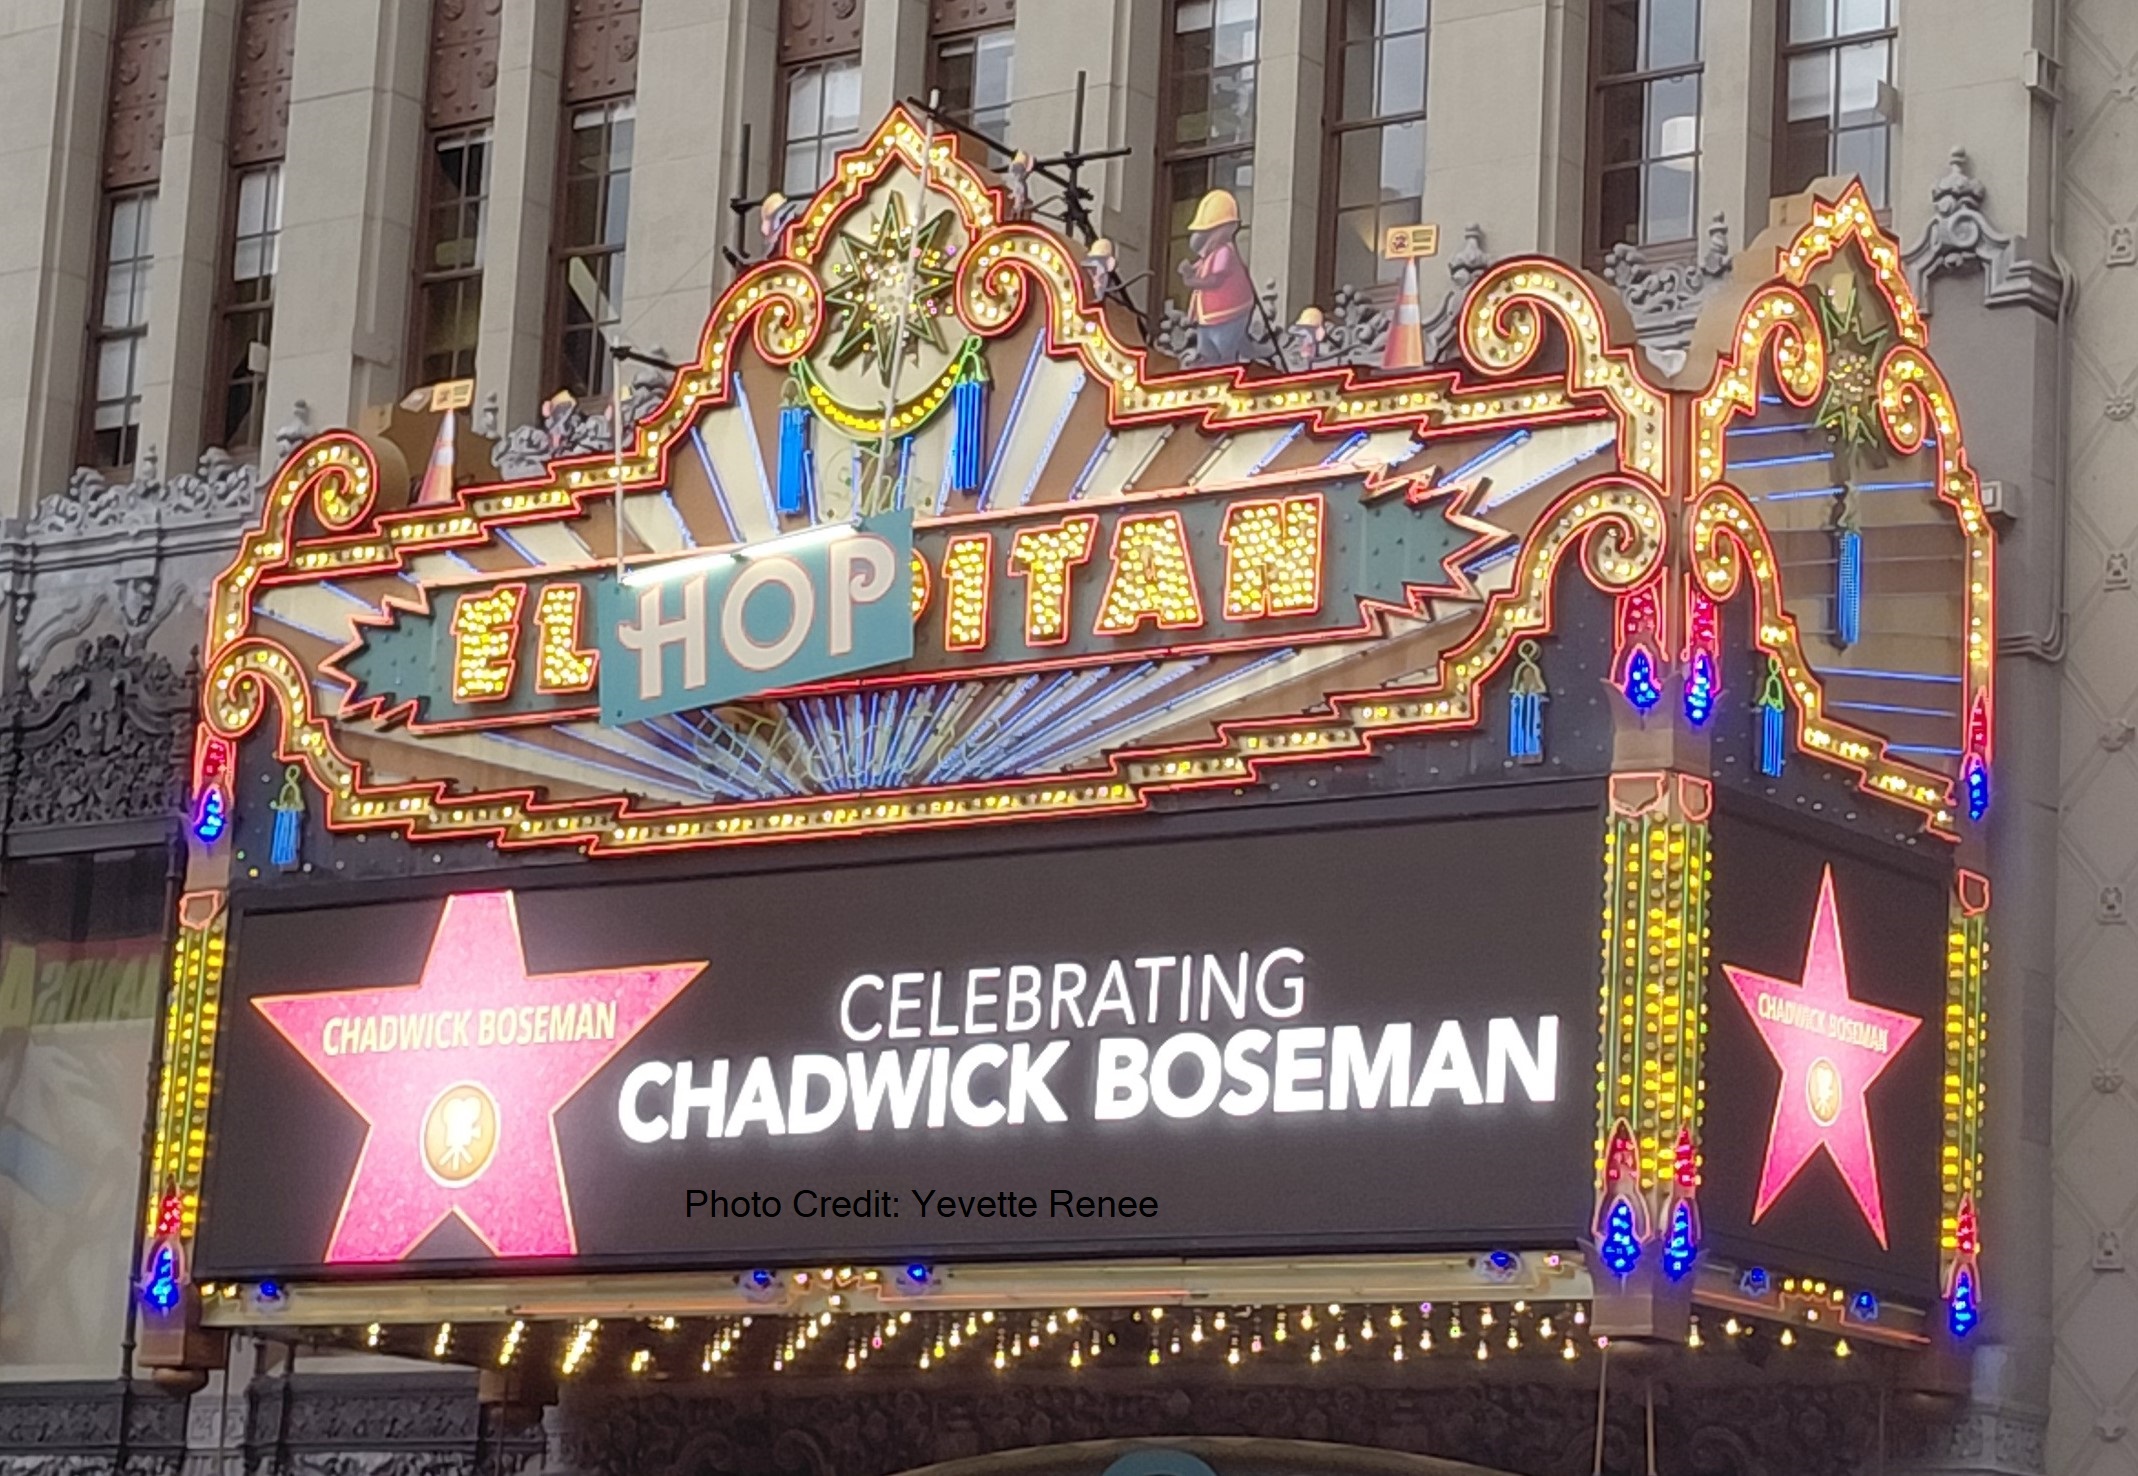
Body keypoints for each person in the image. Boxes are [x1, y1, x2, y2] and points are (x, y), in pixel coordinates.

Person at [1178, 190, 1254, 366]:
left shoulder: (1224, 253)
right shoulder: (1209, 255)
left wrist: (1191, 281)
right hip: (1208, 318)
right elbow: (1199, 270)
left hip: (1228, 315)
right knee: (1207, 352)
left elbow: (1214, 281)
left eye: (1208, 231)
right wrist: (1189, 271)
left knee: (1225, 353)